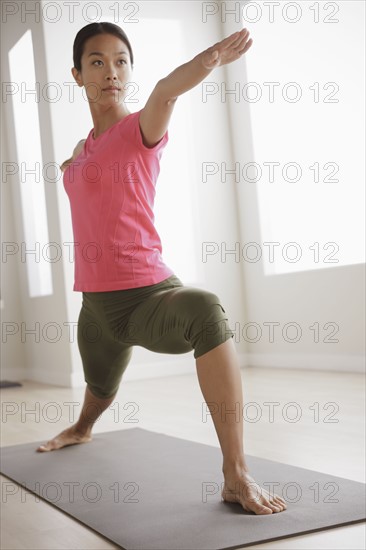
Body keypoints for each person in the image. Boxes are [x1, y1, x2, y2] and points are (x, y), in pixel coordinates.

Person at [37, 22, 286, 516]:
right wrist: (73, 167)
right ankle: (82, 428)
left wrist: (208, 60)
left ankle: (235, 472)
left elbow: (166, 93)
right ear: (77, 74)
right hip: (94, 307)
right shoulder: (78, 154)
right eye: (97, 62)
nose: (111, 72)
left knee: (205, 310)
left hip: (148, 297)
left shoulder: (140, 129)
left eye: (121, 61)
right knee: (99, 388)